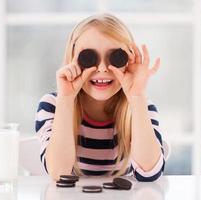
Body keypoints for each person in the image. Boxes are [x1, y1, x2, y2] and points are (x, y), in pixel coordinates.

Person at [35, 13, 168, 182]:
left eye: (115, 57)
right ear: (72, 59)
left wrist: (136, 96)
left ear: (127, 61)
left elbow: (150, 173)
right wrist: (66, 99)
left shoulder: (141, 107)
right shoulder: (53, 105)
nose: (103, 68)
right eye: (89, 58)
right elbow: (59, 173)